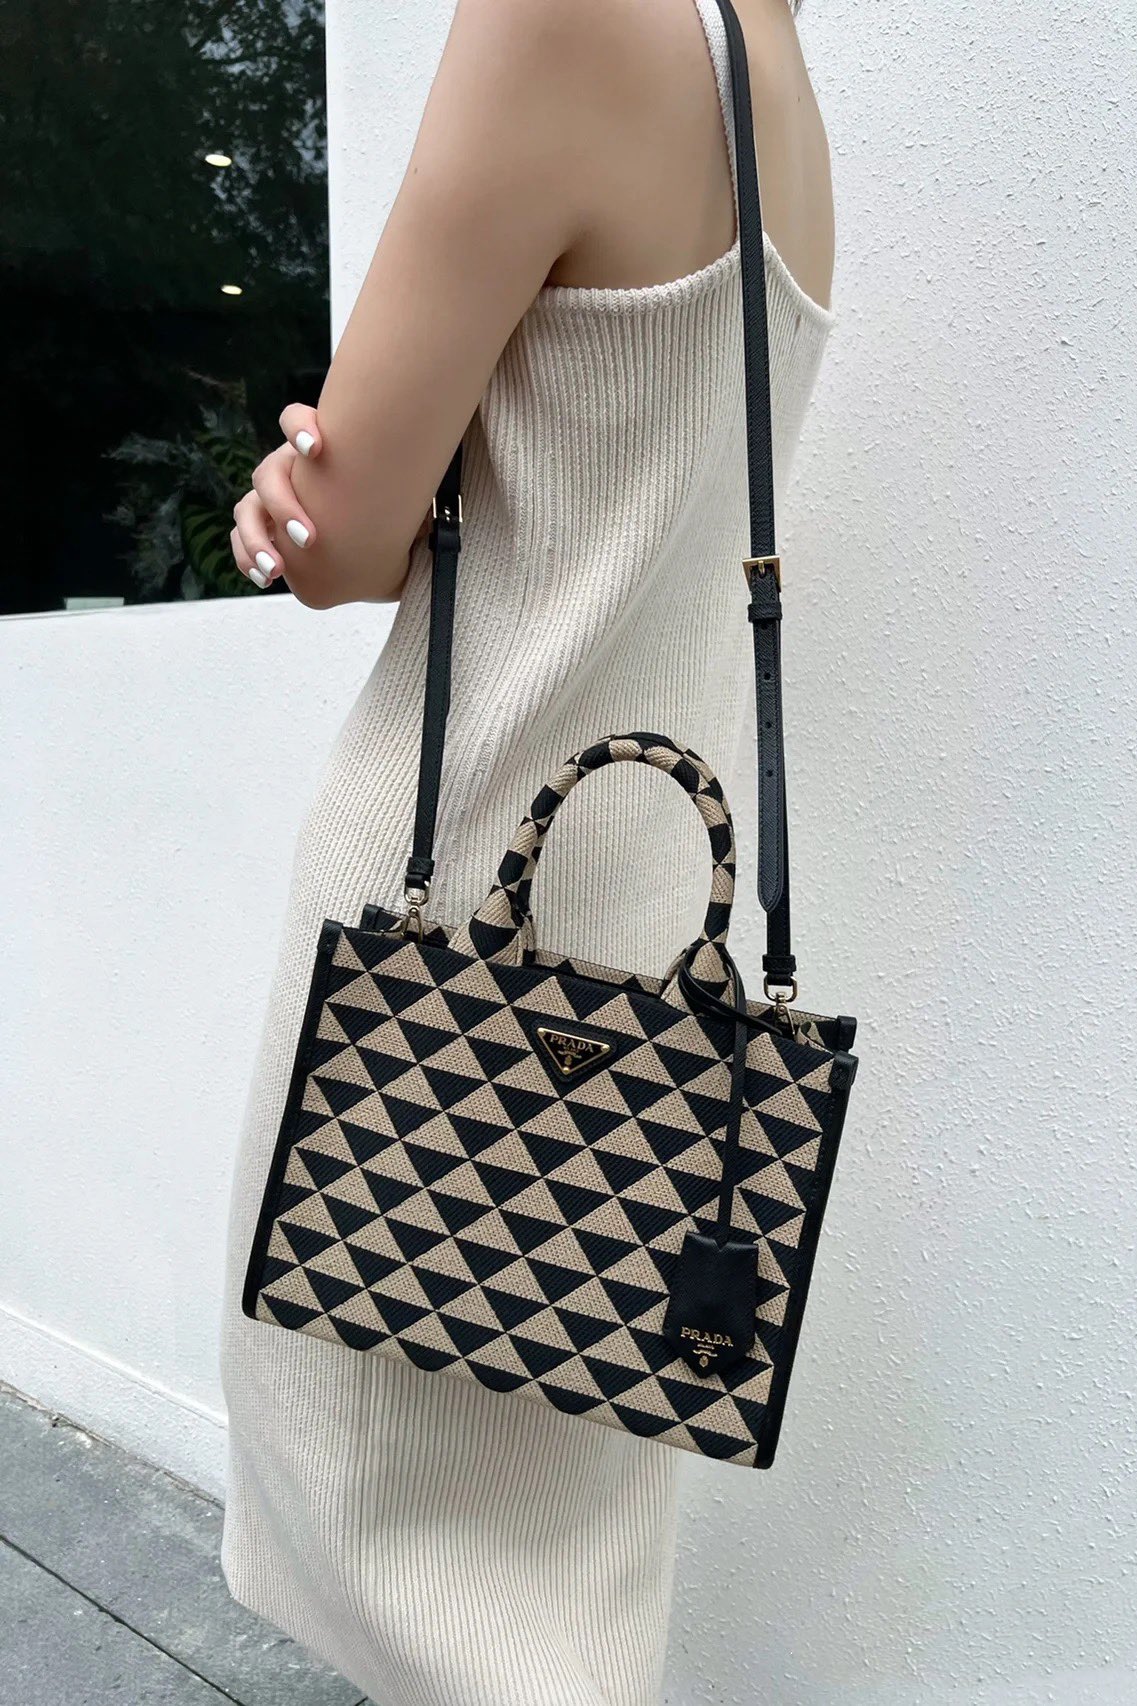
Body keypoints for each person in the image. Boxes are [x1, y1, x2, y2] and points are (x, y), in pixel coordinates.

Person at [218, 1, 835, 1701]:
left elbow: (340, 531)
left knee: (410, 1576)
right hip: (651, 972)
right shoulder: (777, 67)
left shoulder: (554, 18)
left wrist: (286, 502)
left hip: (443, 954)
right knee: (563, 1583)